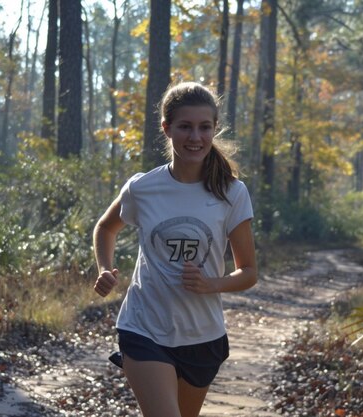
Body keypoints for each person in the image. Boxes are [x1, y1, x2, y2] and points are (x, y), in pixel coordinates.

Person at [93, 81, 258, 417]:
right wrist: (103, 268)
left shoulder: (232, 192)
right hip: (144, 325)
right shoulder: (143, 188)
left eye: (204, 127)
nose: (195, 137)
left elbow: (249, 273)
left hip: (202, 333)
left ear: (214, 129)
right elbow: (105, 227)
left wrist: (214, 283)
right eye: (185, 127)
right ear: (167, 128)